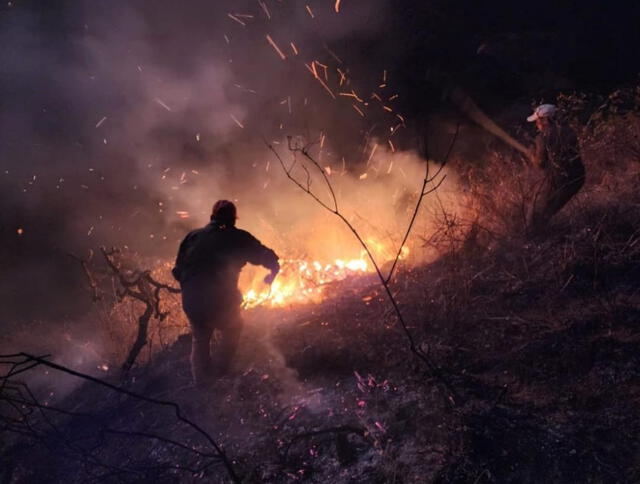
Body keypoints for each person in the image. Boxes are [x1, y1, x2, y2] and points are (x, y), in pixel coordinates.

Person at [172, 200, 279, 386]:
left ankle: (202, 384)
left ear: (212, 216)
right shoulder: (238, 238)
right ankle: (221, 373)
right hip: (220, 300)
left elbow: (177, 271)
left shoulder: (193, 237)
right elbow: (265, 256)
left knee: (200, 336)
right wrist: (273, 268)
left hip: (192, 301)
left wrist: (192, 288)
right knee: (233, 328)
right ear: (233, 219)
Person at [526, 104, 586, 232]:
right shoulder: (569, 131)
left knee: (538, 212)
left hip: (560, 182)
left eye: (538, 120)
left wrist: (532, 155)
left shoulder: (542, 138)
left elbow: (540, 164)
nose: (536, 124)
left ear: (546, 120)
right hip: (578, 178)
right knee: (547, 209)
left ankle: (534, 239)